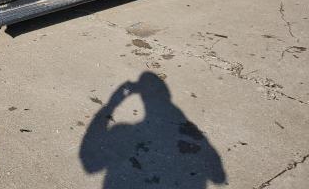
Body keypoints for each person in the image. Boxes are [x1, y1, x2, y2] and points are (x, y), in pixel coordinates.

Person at [80, 72, 226, 188]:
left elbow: (90, 165)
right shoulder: (189, 129)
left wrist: (112, 104)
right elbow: (219, 178)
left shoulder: (120, 131)